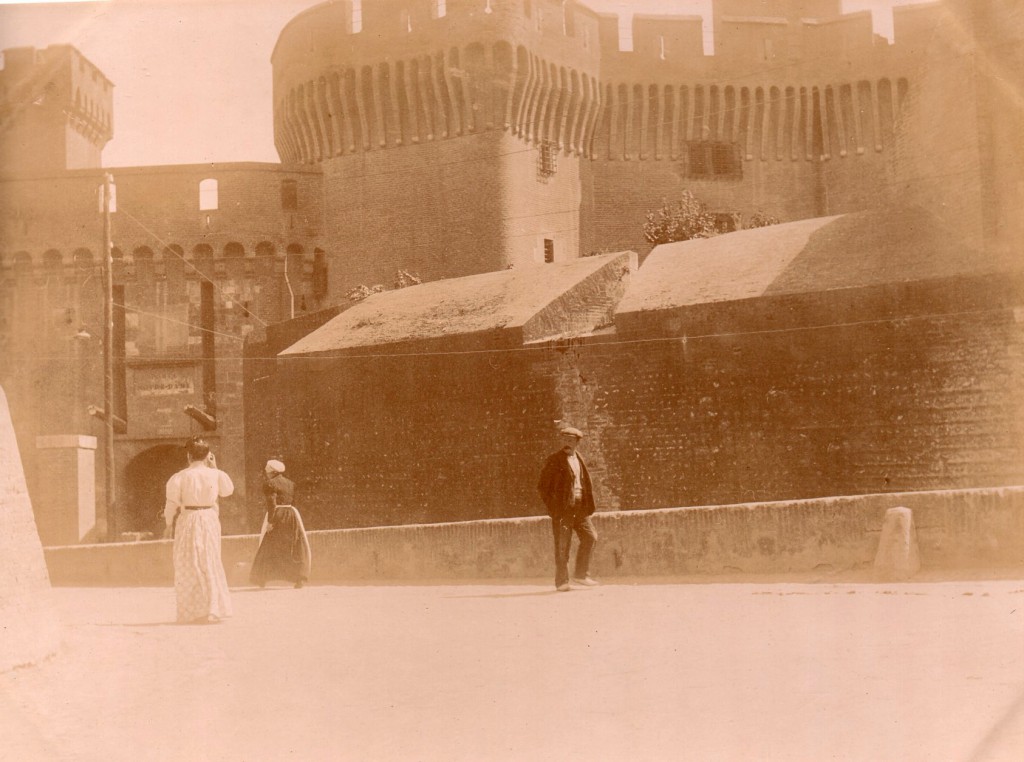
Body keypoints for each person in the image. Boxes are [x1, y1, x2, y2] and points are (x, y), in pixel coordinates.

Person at [164, 436, 234, 624]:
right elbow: (227, 491)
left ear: (188, 455)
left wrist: (168, 523)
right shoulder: (216, 474)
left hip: (189, 520)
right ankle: (213, 609)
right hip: (209, 519)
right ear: (207, 456)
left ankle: (192, 611)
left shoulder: (179, 477)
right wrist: (215, 467)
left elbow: (171, 503)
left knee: (189, 563)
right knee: (210, 560)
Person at [537, 425, 599, 592]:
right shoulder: (554, 460)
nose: (567, 444)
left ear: (577, 442)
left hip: (580, 508)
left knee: (590, 537)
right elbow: (543, 486)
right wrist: (554, 507)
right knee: (562, 545)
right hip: (563, 510)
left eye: (571, 441)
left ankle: (580, 574)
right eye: (564, 440)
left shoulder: (579, 458)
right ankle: (562, 582)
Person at [250, 459, 312, 589]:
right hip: (291, 514)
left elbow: (271, 503)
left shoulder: (269, 484)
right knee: (293, 545)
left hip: (278, 514)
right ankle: (299, 578)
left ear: (272, 471)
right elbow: (294, 501)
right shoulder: (290, 483)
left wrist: (271, 522)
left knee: (269, 544)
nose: (265, 471)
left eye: (267, 469)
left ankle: (261, 578)